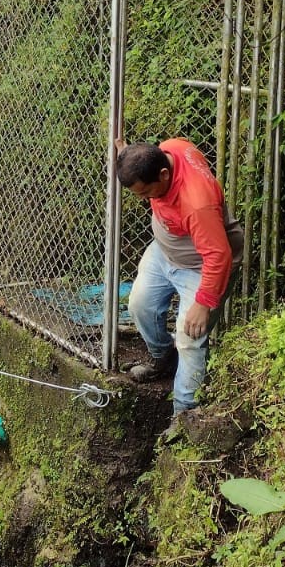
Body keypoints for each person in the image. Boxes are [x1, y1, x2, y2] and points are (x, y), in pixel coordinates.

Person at [116, 138, 243, 422]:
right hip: (165, 251)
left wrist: (203, 302)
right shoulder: (170, 148)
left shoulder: (196, 203)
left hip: (201, 265)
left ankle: (184, 416)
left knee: (190, 337)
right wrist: (125, 153)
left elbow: (218, 255)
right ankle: (163, 359)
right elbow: (142, 161)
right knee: (139, 305)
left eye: (148, 193)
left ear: (163, 175)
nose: (146, 199)